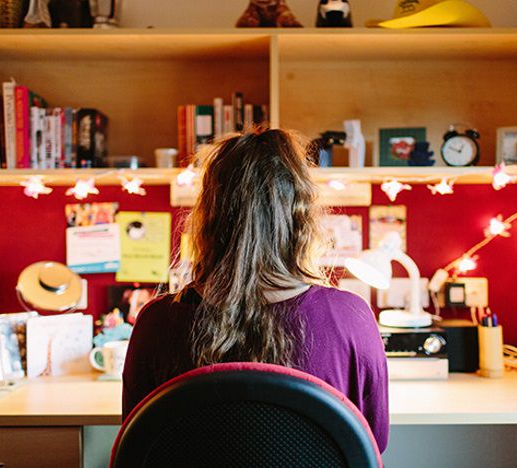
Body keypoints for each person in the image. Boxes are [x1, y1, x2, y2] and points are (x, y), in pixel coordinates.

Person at [122, 129, 389, 452]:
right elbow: (372, 441)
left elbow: (138, 443)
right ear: (300, 219)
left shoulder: (157, 321)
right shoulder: (350, 317)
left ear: (209, 218)